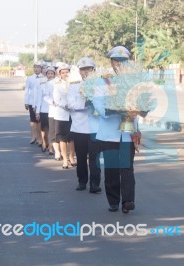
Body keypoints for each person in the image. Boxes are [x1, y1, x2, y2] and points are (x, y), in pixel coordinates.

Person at [92, 46, 144, 213]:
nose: (120, 64)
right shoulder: (103, 81)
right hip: (109, 133)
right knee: (112, 168)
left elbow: (141, 102)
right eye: (117, 60)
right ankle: (114, 200)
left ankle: (128, 201)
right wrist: (116, 109)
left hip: (128, 133)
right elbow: (98, 105)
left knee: (127, 168)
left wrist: (141, 110)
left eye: (123, 61)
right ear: (111, 61)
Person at [67, 57, 102, 193]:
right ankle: (82, 181)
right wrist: (85, 103)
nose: (86, 72)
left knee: (95, 157)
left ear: (93, 70)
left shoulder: (100, 86)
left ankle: (95, 183)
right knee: (81, 157)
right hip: (79, 127)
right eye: (83, 69)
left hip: (95, 127)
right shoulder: (75, 86)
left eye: (88, 69)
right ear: (79, 72)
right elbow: (70, 104)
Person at [53, 63, 76, 169]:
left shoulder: (75, 83)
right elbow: (56, 100)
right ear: (60, 74)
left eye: (67, 72)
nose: (65, 74)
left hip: (73, 114)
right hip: (62, 114)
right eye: (63, 72)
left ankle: (71, 156)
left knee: (72, 138)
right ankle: (65, 159)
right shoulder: (57, 85)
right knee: (62, 137)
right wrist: (66, 106)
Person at [36, 66, 56, 152]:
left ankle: (51, 146)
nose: (50, 75)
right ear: (46, 74)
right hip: (44, 109)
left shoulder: (57, 83)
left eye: (52, 73)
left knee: (52, 129)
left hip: (53, 109)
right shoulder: (42, 83)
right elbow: (39, 98)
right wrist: (37, 111)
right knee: (44, 129)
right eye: (49, 73)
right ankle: (44, 142)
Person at [24, 61, 43, 145]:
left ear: (41, 69)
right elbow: (27, 90)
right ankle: (33, 136)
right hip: (31, 102)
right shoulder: (30, 78)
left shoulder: (44, 78)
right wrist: (26, 102)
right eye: (35, 67)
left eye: (38, 67)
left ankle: (39, 138)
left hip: (41, 103)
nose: (36, 69)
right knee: (33, 120)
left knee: (39, 121)